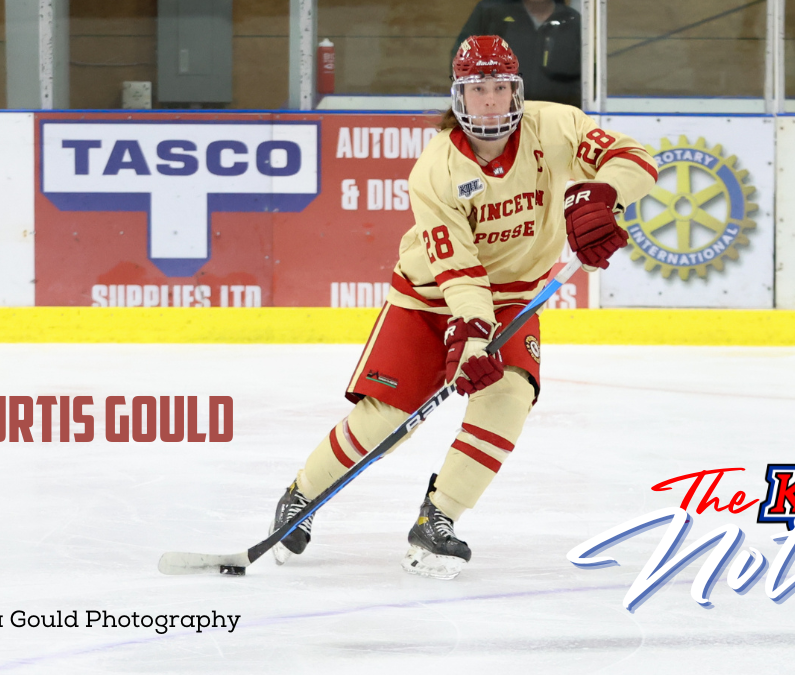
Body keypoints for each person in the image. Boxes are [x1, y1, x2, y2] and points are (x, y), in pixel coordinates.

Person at [269, 35, 656, 580]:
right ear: (460, 97)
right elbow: (458, 269)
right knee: (388, 419)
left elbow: (634, 157)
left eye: (501, 87)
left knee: (509, 397)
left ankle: (439, 517)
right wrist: (473, 334)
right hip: (429, 299)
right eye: (479, 90)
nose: (492, 101)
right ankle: (300, 495)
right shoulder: (435, 169)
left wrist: (603, 194)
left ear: (516, 89)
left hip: (516, 296)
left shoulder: (556, 126)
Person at [454, 0, 581, 107]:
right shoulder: (492, 13)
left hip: (557, 117)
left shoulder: (573, 21)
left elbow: (585, 76)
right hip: (499, 116)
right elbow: (460, 61)